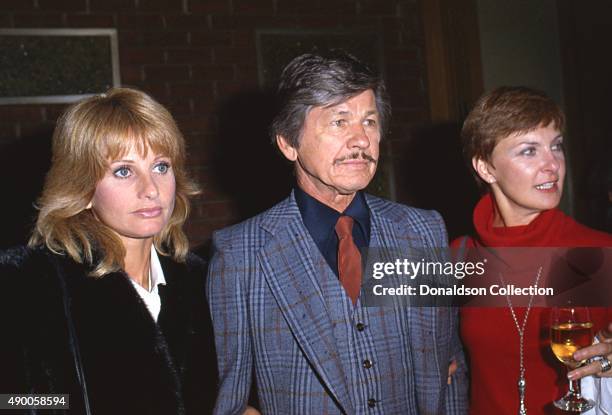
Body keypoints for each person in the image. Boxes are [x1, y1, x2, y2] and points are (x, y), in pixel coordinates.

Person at [206, 51, 468, 414]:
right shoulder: (239, 255)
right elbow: (230, 401)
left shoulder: (422, 231)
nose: (361, 139)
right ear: (288, 143)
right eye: (339, 122)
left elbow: (450, 367)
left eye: (370, 122)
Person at [0, 88, 214, 414]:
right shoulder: (25, 282)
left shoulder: (205, 281)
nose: (151, 190)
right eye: (123, 171)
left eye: (160, 166)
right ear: (83, 188)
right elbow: (10, 402)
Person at [455, 86, 612, 414]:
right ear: (486, 168)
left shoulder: (600, 251)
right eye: (529, 151)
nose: (552, 164)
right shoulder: (458, 256)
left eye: (556, 146)